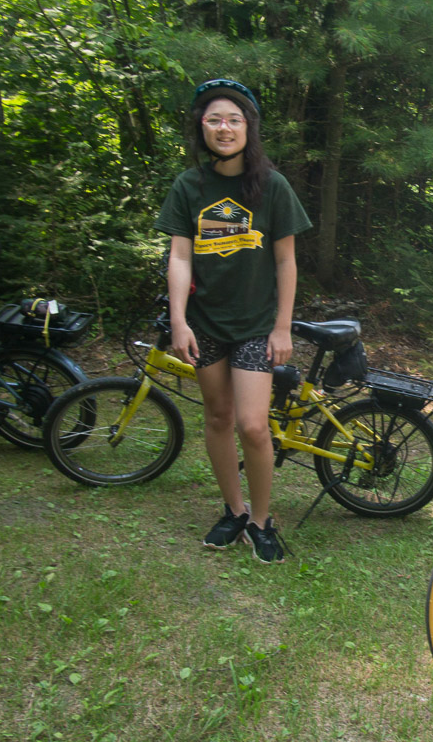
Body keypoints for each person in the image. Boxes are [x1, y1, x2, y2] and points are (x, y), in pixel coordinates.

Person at [154, 79, 312, 564]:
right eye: (215, 120)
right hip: (204, 323)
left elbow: (286, 261)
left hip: (255, 324)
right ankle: (235, 510)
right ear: (202, 128)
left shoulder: (273, 186)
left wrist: (282, 327)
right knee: (218, 417)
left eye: (234, 120)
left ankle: (262, 520)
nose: (225, 128)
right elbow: (180, 257)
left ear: (249, 128)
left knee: (254, 426)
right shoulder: (189, 186)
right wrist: (178, 321)